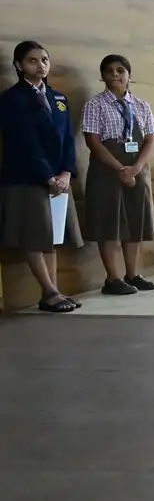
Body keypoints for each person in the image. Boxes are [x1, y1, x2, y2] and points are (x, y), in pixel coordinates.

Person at [0, 41, 83, 312]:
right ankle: (49, 291)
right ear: (19, 65)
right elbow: (24, 142)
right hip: (27, 178)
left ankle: (53, 292)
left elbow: (68, 140)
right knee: (33, 235)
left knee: (51, 236)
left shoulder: (57, 98)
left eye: (44, 60)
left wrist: (67, 172)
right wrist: (48, 177)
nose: (40, 65)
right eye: (33, 60)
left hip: (59, 179)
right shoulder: (12, 99)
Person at [80, 54, 154, 295]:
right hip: (107, 171)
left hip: (137, 169)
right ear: (102, 76)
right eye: (109, 71)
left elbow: (150, 139)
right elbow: (92, 141)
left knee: (136, 221)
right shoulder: (95, 105)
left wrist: (135, 169)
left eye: (120, 70)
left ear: (129, 75)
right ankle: (112, 278)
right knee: (109, 223)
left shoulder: (142, 105)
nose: (115, 75)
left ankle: (133, 274)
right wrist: (119, 169)